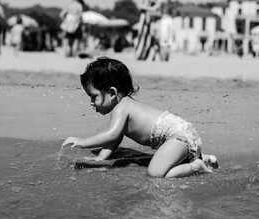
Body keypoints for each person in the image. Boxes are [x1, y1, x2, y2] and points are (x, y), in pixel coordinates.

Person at [62, 57, 218, 178]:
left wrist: (83, 142)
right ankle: (203, 158)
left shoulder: (121, 108)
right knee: (166, 161)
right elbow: (116, 138)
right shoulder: (126, 106)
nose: (91, 102)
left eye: (93, 96)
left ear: (112, 93)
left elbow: (112, 134)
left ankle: (195, 166)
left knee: (155, 173)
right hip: (184, 134)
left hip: (177, 137)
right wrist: (102, 157)